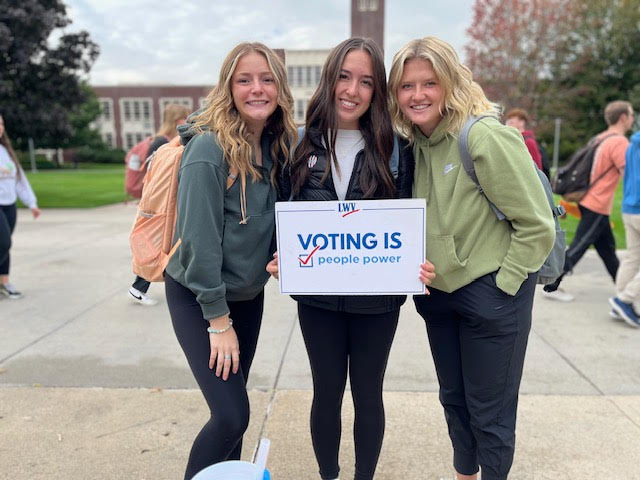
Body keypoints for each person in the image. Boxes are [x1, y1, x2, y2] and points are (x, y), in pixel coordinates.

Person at [267, 37, 434, 480]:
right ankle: (328, 475)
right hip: (318, 301)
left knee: (367, 393)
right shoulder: (298, 144)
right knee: (325, 393)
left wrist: (422, 259)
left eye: (365, 81)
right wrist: (278, 254)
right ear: (329, 79)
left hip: (377, 304)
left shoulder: (396, 148)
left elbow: (414, 221)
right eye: (344, 76)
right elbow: (280, 213)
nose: (352, 90)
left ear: (377, 91)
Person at [388, 37, 555, 480]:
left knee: (491, 413)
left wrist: (505, 284)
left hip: (493, 296)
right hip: (439, 299)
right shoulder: (413, 146)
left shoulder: (483, 136)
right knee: (454, 401)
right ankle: (465, 474)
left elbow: (538, 225)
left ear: (450, 84)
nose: (417, 95)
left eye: (429, 83)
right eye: (407, 86)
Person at [163, 42, 296, 479]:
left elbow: (275, 223)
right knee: (231, 416)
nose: (257, 89)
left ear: (280, 87)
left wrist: (282, 256)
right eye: (245, 80)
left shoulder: (277, 149)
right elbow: (199, 244)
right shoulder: (208, 150)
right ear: (229, 88)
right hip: (199, 297)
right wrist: (218, 322)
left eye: (267, 79)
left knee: (233, 417)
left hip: (247, 296)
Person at [543, 101, 634, 302]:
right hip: (597, 203)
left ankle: (624, 292)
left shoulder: (600, 137)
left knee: (607, 250)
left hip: (590, 200)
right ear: (623, 118)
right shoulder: (619, 142)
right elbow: (629, 174)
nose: (633, 119)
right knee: (578, 247)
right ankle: (551, 285)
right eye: (631, 115)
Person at [128, 102, 191, 306]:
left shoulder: (161, 141)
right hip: (159, 205)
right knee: (158, 247)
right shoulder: (164, 144)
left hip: (158, 204)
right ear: (177, 120)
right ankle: (137, 287)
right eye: (184, 117)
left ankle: (139, 286)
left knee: (158, 247)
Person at [0, 114, 40, 300]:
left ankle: (5, 283)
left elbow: (19, 180)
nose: (0, 126)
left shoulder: (6, 151)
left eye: (1, 123)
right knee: (4, 242)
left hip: (9, 205)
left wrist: (31, 203)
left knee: (4, 245)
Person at [609, 127, 640, 327]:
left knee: (632, 257)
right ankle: (625, 299)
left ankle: (620, 300)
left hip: (629, 206)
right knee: (633, 257)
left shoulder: (633, 142)